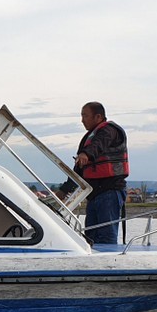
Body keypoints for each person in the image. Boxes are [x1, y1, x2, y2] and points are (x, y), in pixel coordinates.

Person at [57, 102, 129, 244]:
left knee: (107, 236)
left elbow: (99, 144)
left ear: (98, 117)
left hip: (110, 191)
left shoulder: (109, 131)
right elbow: (78, 170)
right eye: (81, 116)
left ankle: (109, 262)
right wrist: (63, 192)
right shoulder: (88, 138)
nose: (82, 120)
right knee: (90, 236)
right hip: (94, 194)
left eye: (85, 115)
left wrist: (86, 154)